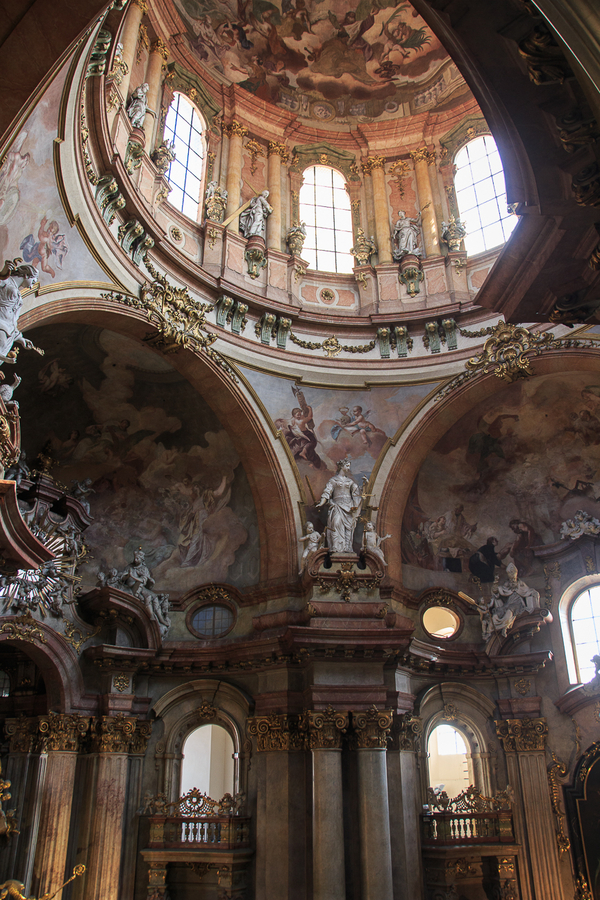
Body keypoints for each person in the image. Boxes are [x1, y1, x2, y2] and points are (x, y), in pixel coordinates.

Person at [317, 457, 362, 553]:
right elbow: (327, 491)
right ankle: (336, 547)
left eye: (349, 466)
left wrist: (365, 486)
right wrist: (322, 502)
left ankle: (347, 548)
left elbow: (357, 493)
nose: (348, 468)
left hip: (349, 507)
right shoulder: (334, 480)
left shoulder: (350, 482)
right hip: (337, 506)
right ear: (342, 466)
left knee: (348, 527)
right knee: (336, 524)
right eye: (347, 466)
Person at [0, 262, 40, 363]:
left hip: (8, 332)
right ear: (26, 275)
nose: (31, 287)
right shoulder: (6, 281)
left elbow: (12, 320)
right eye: (33, 282)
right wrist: (4, 273)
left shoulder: (18, 294)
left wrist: (20, 339)